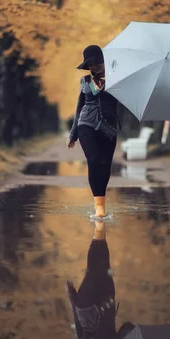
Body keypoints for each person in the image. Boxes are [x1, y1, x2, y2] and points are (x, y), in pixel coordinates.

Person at [67, 45, 119, 218]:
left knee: (105, 165)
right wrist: (73, 134)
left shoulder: (117, 79)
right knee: (94, 159)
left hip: (109, 129)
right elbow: (79, 107)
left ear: (105, 61)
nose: (94, 67)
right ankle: (98, 207)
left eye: (97, 63)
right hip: (86, 125)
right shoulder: (85, 81)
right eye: (91, 65)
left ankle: (102, 202)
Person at [66, 221, 133, 339]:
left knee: (96, 265)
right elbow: (127, 328)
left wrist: (72, 298)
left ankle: (99, 221)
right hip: (94, 304)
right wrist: (73, 299)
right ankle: (99, 223)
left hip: (91, 307)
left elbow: (82, 334)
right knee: (99, 263)